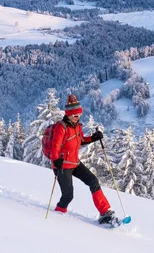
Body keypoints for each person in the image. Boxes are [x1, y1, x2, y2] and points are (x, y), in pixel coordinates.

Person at [50, 94, 117, 225]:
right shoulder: (61, 127)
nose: (78, 117)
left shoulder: (77, 126)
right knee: (68, 196)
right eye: (75, 115)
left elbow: (81, 140)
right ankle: (57, 217)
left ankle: (105, 212)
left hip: (75, 163)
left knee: (93, 181)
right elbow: (55, 146)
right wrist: (56, 160)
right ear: (68, 114)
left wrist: (93, 138)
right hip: (62, 165)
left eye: (79, 115)